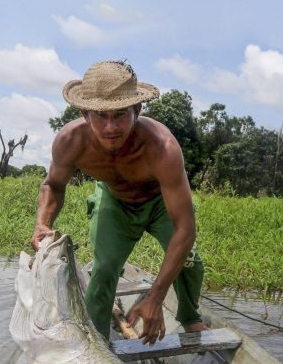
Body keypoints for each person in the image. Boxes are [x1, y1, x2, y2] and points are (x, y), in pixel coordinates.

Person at [31, 60, 207, 345]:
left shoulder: (161, 147)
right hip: (114, 200)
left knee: (190, 264)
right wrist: (42, 224)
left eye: (120, 115)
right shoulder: (70, 140)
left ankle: (189, 317)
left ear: (137, 110)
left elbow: (185, 229)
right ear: (85, 113)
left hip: (160, 202)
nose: (110, 127)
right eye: (101, 116)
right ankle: (97, 342)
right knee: (103, 270)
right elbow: (53, 186)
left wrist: (156, 296)